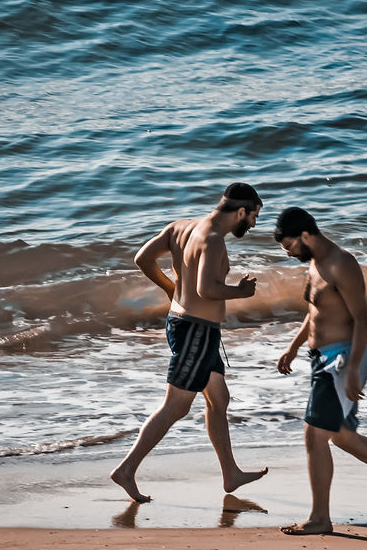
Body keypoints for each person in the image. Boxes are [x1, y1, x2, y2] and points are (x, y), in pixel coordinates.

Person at [110, 183, 268, 505]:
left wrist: (171, 289)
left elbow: (143, 258)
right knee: (177, 406)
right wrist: (240, 292)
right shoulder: (213, 241)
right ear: (240, 211)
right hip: (196, 331)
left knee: (218, 399)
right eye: (253, 216)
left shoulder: (181, 227)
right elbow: (206, 289)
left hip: (187, 325)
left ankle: (230, 474)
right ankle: (126, 470)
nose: (253, 224)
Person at [274, 207, 367, 535]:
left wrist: (354, 367)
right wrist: (295, 345)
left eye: (289, 247)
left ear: (305, 235)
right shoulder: (315, 263)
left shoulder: (342, 264)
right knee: (339, 436)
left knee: (314, 435)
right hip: (321, 357)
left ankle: (319, 519)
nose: (289, 254)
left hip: (342, 359)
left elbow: (362, 319)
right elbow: (316, 312)